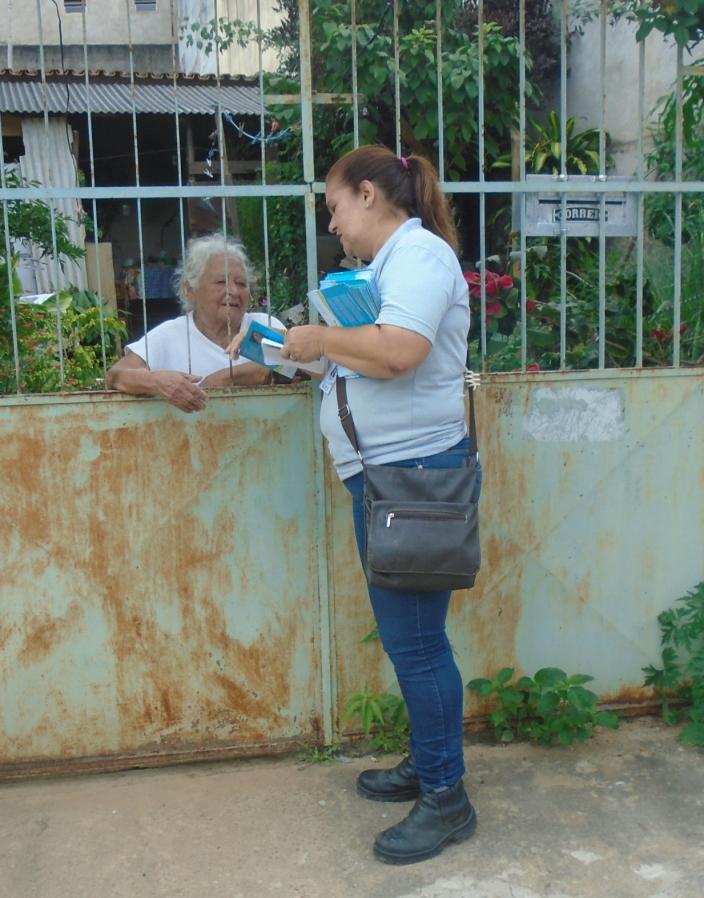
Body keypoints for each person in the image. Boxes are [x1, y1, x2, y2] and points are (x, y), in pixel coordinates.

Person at [228, 145, 477, 865]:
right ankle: (428, 765)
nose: (332, 223)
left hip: (416, 477)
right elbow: (353, 359)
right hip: (388, 478)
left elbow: (399, 352)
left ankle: (446, 798)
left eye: (334, 206)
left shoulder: (420, 260)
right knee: (412, 641)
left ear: (367, 194)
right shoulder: (381, 270)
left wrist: (320, 336)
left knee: (419, 645)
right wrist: (287, 349)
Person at [107, 235, 285, 413]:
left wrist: (227, 377)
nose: (234, 291)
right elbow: (116, 375)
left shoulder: (263, 324)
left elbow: (291, 365)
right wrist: (157, 382)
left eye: (242, 283)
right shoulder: (170, 334)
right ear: (190, 290)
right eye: (221, 282)